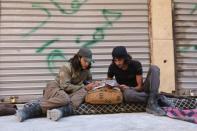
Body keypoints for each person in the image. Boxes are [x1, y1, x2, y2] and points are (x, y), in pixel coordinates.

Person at [16, 47, 97, 122]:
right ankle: (29, 111)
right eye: (85, 61)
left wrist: (93, 84)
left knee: (84, 92)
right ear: (78, 58)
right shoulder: (67, 67)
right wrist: (83, 86)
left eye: (88, 61)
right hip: (55, 88)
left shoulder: (86, 69)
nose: (87, 63)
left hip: (70, 92)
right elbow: (65, 86)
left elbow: (88, 82)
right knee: (65, 99)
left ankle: (60, 111)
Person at [107, 46, 172, 116]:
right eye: (115, 60)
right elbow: (108, 84)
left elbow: (140, 87)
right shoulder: (112, 67)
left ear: (125, 58)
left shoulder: (135, 64)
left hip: (140, 90)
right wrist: (116, 87)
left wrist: (129, 87)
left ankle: (152, 103)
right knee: (128, 95)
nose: (117, 63)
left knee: (154, 68)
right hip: (128, 93)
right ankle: (157, 98)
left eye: (119, 60)